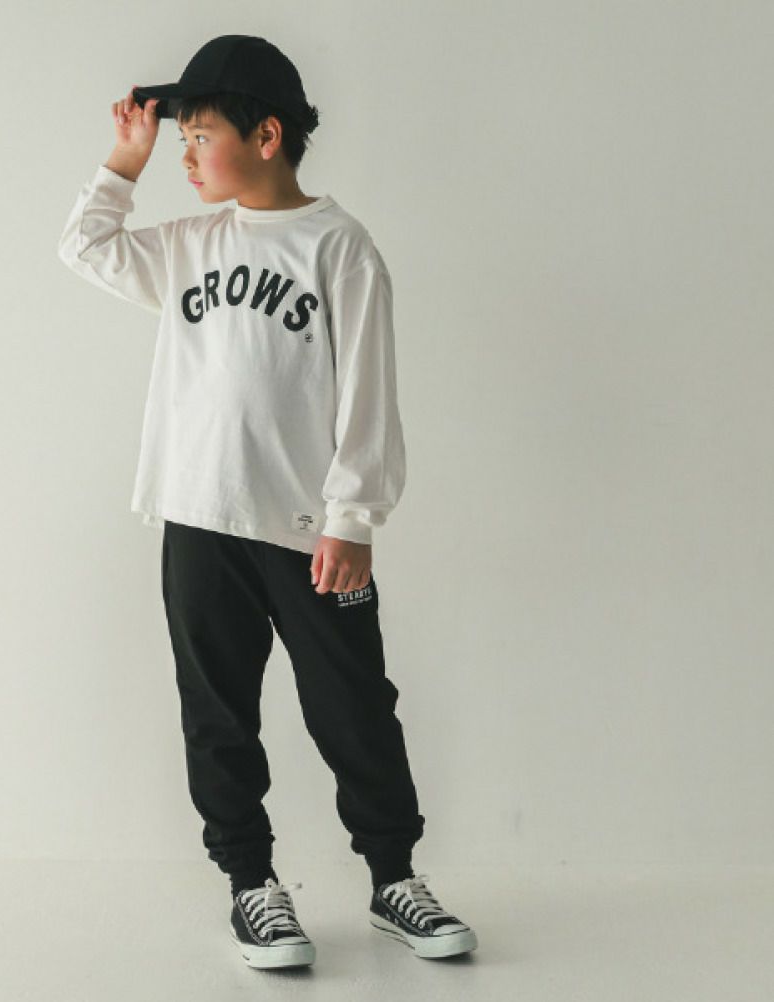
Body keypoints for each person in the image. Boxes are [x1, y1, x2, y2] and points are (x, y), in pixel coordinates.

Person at [57, 33, 478, 969]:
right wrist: (123, 161)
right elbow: (84, 248)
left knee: (353, 705)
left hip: (307, 530)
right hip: (198, 519)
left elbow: (368, 391)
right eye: (182, 141)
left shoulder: (339, 247)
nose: (186, 155)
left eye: (199, 136)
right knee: (217, 710)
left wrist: (353, 518)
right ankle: (252, 883)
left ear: (267, 135)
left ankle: (394, 878)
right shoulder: (190, 245)